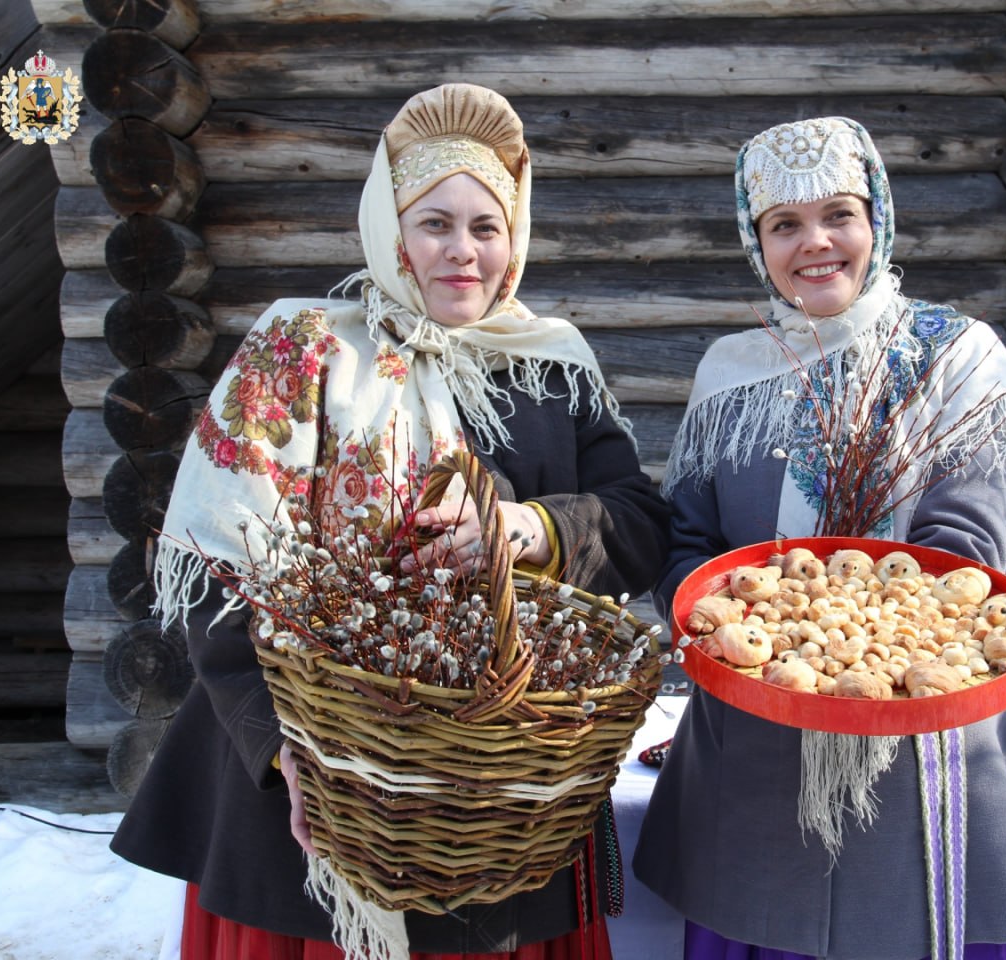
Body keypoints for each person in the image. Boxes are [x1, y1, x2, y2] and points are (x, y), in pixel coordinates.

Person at [109, 82, 669, 960]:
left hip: (502, 785)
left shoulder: (553, 366)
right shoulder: (304, 350)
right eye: (434, 223)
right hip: (315, 776)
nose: (463, 252)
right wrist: (281, 747)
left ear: (513, 240)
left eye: (487, 228)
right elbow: (221, 567)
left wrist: (528, 529)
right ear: (390, 229)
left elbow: (638, 525)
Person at [631, 117, 1006, 960]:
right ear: (753, 239)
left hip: (917, 746)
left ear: (876, 216)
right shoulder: (732, 373)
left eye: (838, 213)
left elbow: (964, 550)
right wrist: (711, 621)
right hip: (755, 741)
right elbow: (686, 537)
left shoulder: (955, 359)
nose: (816, 243)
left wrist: (853, 653)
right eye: (783, 225)